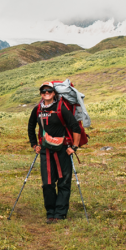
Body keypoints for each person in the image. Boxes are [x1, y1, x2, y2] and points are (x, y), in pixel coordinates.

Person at [28, 82, 81, 223]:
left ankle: (60, 214)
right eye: (43, 91)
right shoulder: (37, 109)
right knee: (47, 183)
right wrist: (34, 144)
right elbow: (31, 126)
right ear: (40, 93)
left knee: (64, 182)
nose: (46, 93)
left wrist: (74, 147)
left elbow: (75, 126)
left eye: (49, 91)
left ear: (54, 93)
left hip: (63, 150)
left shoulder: (61, 108)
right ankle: (50, 213)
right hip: (45, 151)